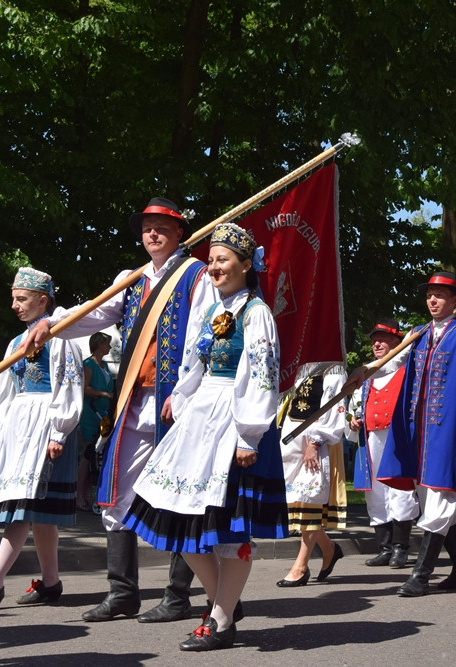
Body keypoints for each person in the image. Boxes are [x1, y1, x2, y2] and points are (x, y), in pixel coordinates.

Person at [26, 197, 220, 622]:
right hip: (133, 400)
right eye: (147, 227)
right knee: (115, 493)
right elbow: (92, 313)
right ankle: (122, 593)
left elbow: (203, 338)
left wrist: (187, 392)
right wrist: (51, 323)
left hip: (176, 402)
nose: (153, 233)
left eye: (162, 227)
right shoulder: (130, 279)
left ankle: (177, 596)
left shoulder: (197, 276)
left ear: (180, 233)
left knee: (181, 497)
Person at [124, 223, 288, 651]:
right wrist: (181, 399)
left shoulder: (256, 313)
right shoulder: (215, 308)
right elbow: (194, 362)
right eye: (211, 260)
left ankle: (221, 620)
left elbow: (263, 376)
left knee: (230, 530)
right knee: (179, 520)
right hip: (200, 421)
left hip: (235, 419)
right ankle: (224, 604)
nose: (214, 267)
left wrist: (249, 436)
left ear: (246, 265)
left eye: (223, 259)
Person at [0, 268, 83, 610]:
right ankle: (51, 582)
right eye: (13, 298)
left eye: (21, 299)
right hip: (18, 428)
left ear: (43, 300)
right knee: (38, 512)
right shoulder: (16, 343)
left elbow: (69, 385)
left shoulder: (60, 338)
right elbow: (4, 390)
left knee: (22, 508)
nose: (14, 305)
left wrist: (58, 431)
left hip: (46, 425)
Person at [361, 271, 456, 598]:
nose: (433, 300)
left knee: (440, 497)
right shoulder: (417, 333)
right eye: (429, 295)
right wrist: (362, 372)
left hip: (447, 431)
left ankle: (421, 575)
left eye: (440, 295)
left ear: (455, 300)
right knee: (431, 499)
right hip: (418, 433)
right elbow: (391, 362)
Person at [349, 318, 419, 568]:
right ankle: (384, 547)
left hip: (395, 437)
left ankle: (401, 547)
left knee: (399, 490)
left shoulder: (405, 371)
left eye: (383, 340)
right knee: (376, 492)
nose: (376, 344)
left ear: (396, 343)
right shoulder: (366, 376)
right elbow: (354, 408)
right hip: (371, 439)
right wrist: (353, 420)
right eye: (374, 341)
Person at [276, 361, 349, 586]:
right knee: (296, 501)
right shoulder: (299, 366)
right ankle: (329, 548)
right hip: (291, 441)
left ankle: (300, 567)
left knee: (310, 501)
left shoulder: (333, 368)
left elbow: (332, 409)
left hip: (315, 443)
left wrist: (315, 442)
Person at [77, 332, 113, 511]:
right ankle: (79, 494)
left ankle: (88, 494)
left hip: (102, 413)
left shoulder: (105, 365)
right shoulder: (88, 364)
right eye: (107, 344)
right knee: (87, 453)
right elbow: (84, 388)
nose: (110, 347)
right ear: (99, 344)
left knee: (93, 456)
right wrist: (103, 394)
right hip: (91, 412)